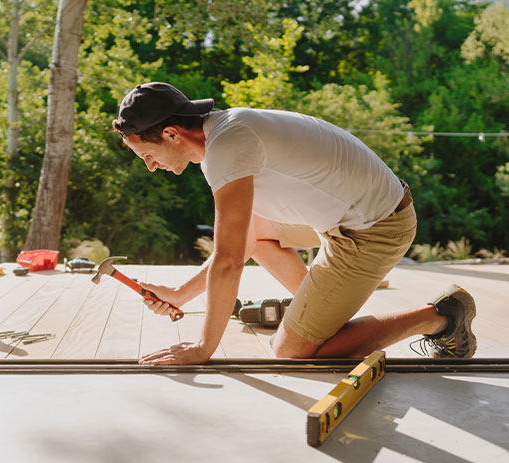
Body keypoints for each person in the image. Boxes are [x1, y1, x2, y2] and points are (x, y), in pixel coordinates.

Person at [111, 82, 477, 365]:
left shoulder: (228, 147)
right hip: (352, 212)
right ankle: (317, 312)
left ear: (172, 134)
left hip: (375, 228)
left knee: (291, 352)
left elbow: (228, 259)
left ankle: (441, 317)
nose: (151, 165)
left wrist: (204, 347)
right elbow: (249, 240)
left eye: (148, 154)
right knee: (265, 242)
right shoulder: (225, 132)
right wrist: (178, 295)